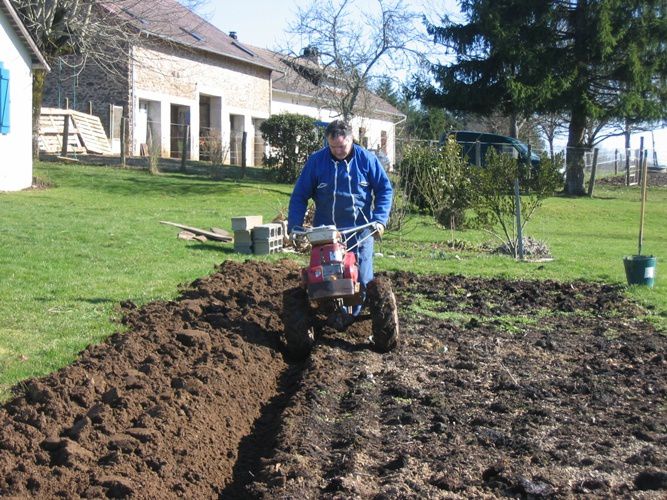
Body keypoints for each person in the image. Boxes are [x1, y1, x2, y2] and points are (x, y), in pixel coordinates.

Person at [287, 120, 393, 315]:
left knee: (362, 280)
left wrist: (379, 219)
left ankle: (354, 315)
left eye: (342, 146)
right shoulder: (316, 162)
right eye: (333, 147)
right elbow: (299, 195)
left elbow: (385, 190)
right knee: (323, 278)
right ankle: (331, 312)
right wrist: (295, 225)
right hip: (325, 235)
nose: (338, 151)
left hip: (359, 232)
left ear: (352, 139)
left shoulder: (366, 160)